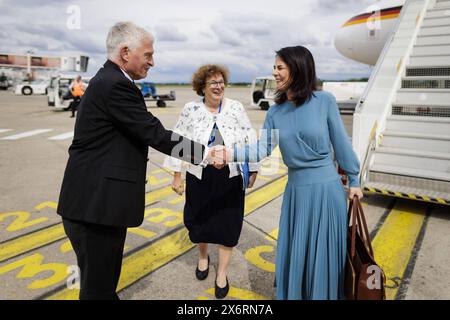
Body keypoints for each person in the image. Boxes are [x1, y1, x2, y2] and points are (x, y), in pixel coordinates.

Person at [57, 22, 207, 300]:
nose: (153, 61)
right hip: (95, 208)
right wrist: (206, 153)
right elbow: (153, 132)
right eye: (148, 54)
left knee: (100, 285)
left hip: (96, 205)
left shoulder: (108, 80)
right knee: (98, 290)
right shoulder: (115, 85)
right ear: (125, 52)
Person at [213, 46, 364, 300]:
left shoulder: (324, 101)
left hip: (326, 192)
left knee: (323, 257)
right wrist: (230, 153)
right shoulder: (275, 111)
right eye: (274, 67)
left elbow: (341, 141)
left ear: (297, 68)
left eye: (280, 67)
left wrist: (354, 178)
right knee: (298, 253)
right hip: (296, 192)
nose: (275, 73)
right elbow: (262, 149)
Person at [164, 64, 259, 299]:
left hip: (231, 175)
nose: (219, 87)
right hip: (200, 175)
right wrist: (177, 173)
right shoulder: (191, 109)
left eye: (221, 82)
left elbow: (250, 136)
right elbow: (179, 140)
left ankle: (222, 274)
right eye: (213, 83)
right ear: (202, 88)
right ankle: (203, 257)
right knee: (201, 220)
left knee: (228, 223)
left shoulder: (235, 108)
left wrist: (254, 168)